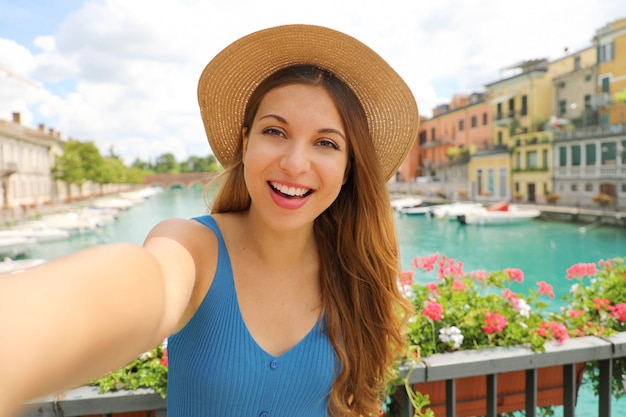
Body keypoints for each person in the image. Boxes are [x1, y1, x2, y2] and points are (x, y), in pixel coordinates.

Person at [0, 24, 419, 417]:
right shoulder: (192, 247)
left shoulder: (355, 271)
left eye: (326, 143)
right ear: (245, 141)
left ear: (348, 168)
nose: (294, 163)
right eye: (275, 132)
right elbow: (145, 284)